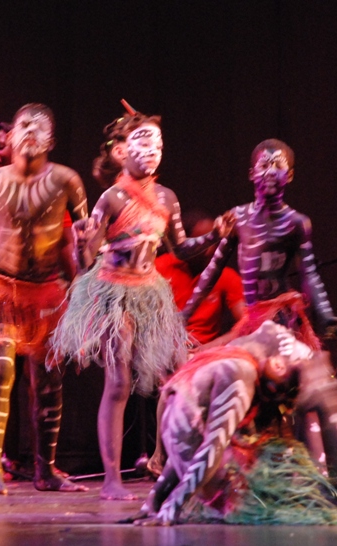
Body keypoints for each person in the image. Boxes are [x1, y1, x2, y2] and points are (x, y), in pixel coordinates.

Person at [50, 105, 234, 500]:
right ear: (126, 149)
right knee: (119, 383)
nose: (151, 151)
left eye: (158, 145)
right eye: (143, 143)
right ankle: (112, 479)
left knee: (177, 376)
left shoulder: (167, 198)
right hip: (115, 292)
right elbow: (87, 260)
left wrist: (215, 234)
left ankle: (176, 463)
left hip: (150, 291)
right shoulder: (111, 199)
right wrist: (81, 245)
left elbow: (181, 248)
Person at [0, 103, 89, 495]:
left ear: (51, 139)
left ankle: (46, 470)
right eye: (24, 124)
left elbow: (83, 239)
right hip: (1, 289)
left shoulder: (66, 180)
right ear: (11, 135)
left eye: (40, 127)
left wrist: (89, 277)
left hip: (46, 291)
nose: (30, 131)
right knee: (1, 370)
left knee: (48, 383)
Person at [181, 139, 337, 470]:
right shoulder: (238, 219)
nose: (271, 172)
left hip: (283, 321)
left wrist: (325, 314)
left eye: (278, 165)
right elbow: (211, 270)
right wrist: (184, 313)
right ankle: (247, 469)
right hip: (253, 323)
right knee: (245, 393)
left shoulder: (297, 223)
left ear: (290, 175)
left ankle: (315, 472)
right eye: (264, 165)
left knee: (297, 396)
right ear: (251, 173)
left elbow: (309, 273)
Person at [126, 321, 337, 526]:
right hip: (232, 491)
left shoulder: (234, 363)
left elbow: (190, 442)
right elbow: (208, 445)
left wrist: (157, 500)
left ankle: (321, 409)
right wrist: (171, 504)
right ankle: (324, 402)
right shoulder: (239, 372)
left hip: (223, 483)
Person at [155, 209, 245, 348]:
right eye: (204, 244)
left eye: (213, 242)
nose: (209, 251)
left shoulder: (226, 276)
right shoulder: (161, 267)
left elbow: (247, 322)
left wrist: (210, 347)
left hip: (205, 352)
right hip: (164, 350)